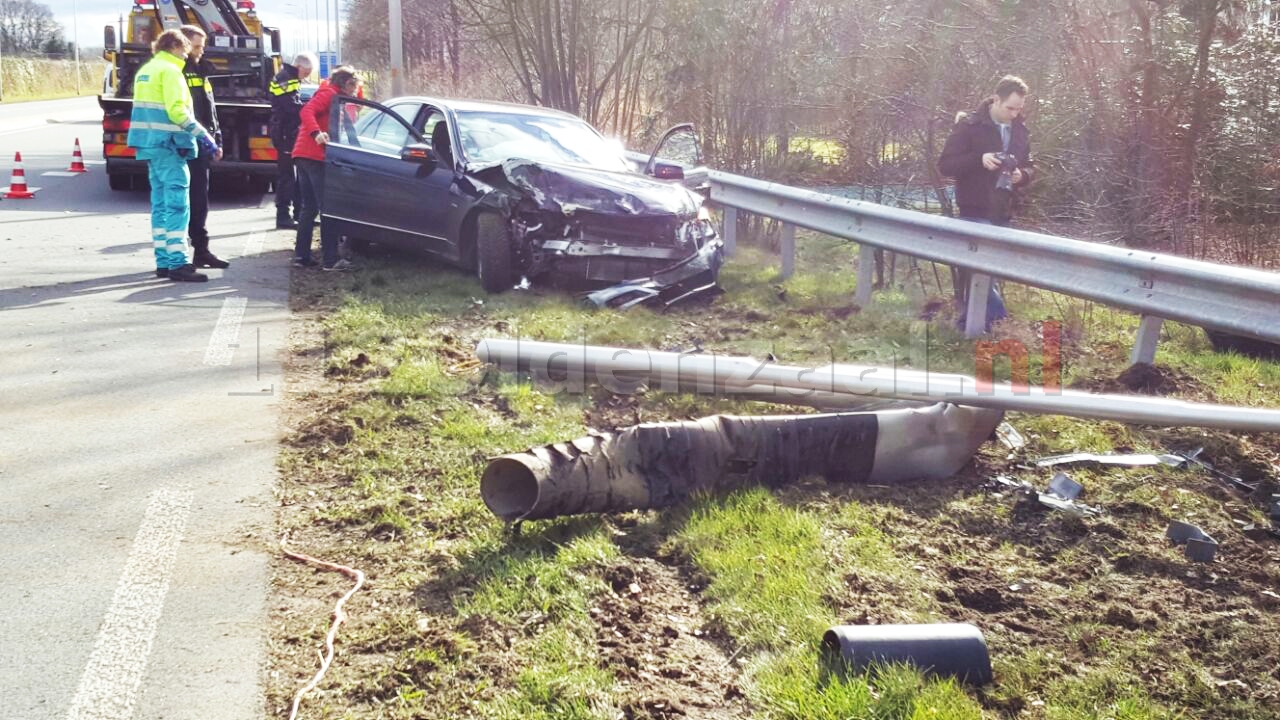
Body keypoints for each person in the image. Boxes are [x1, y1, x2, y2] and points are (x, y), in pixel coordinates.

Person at [938, 75, 1035, 332]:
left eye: (1018, 109)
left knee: (990, 269)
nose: (1014, 114)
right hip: (974, 207)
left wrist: (1022, 175)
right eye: (1009, 108)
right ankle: (997, 320)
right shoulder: (969, 126)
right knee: (981, 266)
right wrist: (978, 159)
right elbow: (945, 165)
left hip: (1004, 208)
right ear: (995, 100)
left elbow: (1031, 166)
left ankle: (967, 324)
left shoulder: (1021, 131)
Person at [127, 28, 222, 282]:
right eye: (186, 51)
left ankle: (163, 261)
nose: (186, 56)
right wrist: (204, 135)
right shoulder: (171, 72)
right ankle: (178, 264)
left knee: (159, 205)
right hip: (170, 146)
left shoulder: (146, 71)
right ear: (177, 47)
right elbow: (177, 111)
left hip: (149, 145)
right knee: (178, 204)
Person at [291, 65, 360, 271]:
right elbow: (306, 111)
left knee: (309, 208)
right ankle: (330, 260)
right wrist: (317, 134)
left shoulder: (335, 97)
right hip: (315, 156)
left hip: (304, 156)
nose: (355, 91)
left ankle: (301, 256)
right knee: (327, 209)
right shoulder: (329, 95)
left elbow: (348, 128)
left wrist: (356, 148)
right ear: (346, 84)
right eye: (354, 86)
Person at [180, 24, 230, 270]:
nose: (202, 51)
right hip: (186, 145)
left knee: (200, 200)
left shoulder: (201, 71)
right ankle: (181, 255)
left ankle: (201, 251)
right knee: (184, 202)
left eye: (203, 46)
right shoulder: (178, 71)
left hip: (203, 143)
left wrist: (216, 138)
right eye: (197, 47)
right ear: (185, 45)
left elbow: (209, 108)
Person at [269, 52, 316, 230]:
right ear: (299, 67)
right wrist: (309, 108)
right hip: (285, 133)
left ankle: (297, 212)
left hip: (287, 131)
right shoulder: (286, 79)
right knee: (287, 177)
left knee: (294, 176)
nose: (307, 76)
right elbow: (290, 107)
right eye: (307, 72)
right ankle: (283, 216)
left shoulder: (290, 77)